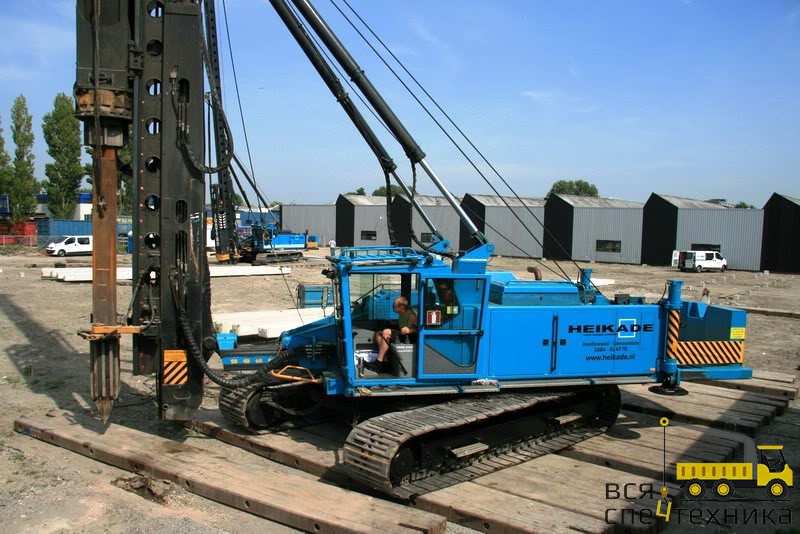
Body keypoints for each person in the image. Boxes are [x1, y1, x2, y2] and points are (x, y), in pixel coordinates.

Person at [369, 296, 417, 373]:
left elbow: (417, 329)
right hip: (401, 334)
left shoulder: (411, 315)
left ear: (401, 307)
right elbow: (402, 324)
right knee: (379, 333)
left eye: (394, 306)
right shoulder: (402, 313)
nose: (393, 307)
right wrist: (393, 323)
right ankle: (385, 362)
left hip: (408, 337)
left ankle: (379, 362)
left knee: (386, 332)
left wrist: (409, 330)